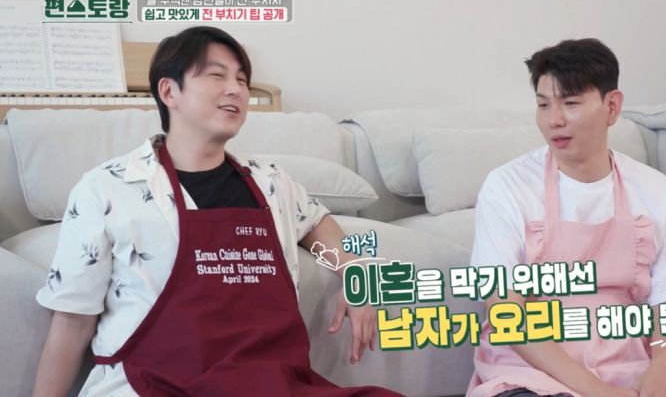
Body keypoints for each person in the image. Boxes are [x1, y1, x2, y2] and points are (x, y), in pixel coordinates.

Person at [32, 26, 401, 397]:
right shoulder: (108, 188)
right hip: (154, 386)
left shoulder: (271, 182)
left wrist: (353, 269)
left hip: (273, 386)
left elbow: (317, 222)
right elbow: (72, 321)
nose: (235, 89)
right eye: (217, 75)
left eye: (241, 80)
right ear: (169, 91)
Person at [467, 38, 666, 397]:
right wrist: (599, 392)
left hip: (633, 365)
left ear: (612, 106)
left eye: (570, 103)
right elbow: (506, 314)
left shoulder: (655, 188)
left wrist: (660, 376)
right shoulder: (507, 186)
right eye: (543, 105)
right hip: (535, 374)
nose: (554, 120)